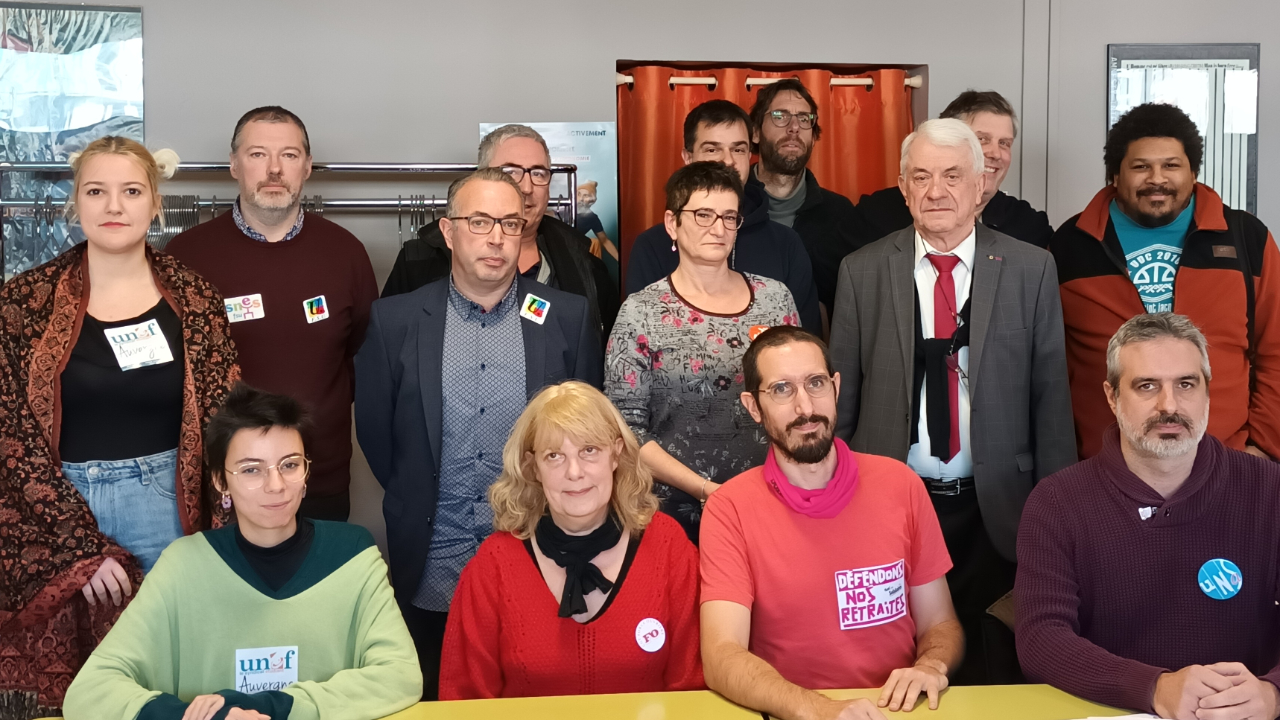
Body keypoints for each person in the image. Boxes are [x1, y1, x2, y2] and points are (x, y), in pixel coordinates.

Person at [828, 118, 1076, 684]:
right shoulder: (862, 270)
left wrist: (1060, 515)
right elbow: (840, 409)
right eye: (921, 177)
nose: (935, 191)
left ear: (981, 181)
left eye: (952, 176)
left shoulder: (1031, 269)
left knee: (995, 663)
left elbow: (1051, 402)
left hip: (999, 508)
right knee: (899, 661)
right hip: (892, 499)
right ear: (902, 184)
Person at [0, 137, 239, 717]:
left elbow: (224, 419)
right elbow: (8, 434)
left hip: (166, 508)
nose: (115, 205)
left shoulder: (196, 300)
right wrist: (74, 544)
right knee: (78, 683)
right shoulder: (22, 305)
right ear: (74, 204)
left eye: (131, 191)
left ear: (155, 203)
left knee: (166, 670)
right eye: (96, 191)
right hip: (54, 505)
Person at [355, 167, 602, 700]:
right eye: (480, 221)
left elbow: (588, 439)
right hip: (431, 555)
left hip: (541, 557)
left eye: (510, 224)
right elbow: (377, 434)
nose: (496, 238)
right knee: (434, 695)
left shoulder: (566, 318)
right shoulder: (395, 320)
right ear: (448, 232)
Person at [63, 384, 422, 720]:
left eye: (290, 464)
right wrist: (196, 716)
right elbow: (90, 691)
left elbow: (400, 675)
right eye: (252, 470)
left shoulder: (352, 555)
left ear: (306, 471)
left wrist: (274, 708)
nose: (276, 485)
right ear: (221, 480)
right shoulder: (184, 566)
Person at [1016, 313, 1280, 719]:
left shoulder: (1270, 489)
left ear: (1208, 393)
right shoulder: (1057, 501)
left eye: (1186, 385)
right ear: (1111, 396)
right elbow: (1040, 639)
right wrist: (1154, 687)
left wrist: (1273, 693)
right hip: (1112, 712)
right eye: (1146, 386)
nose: (1169, 406)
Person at [701, 326, 962, 720]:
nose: (805, 408)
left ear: (836, 387)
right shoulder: (729, 508)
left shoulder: (900, 484)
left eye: (816, 383)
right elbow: (722, 656)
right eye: (782, 390)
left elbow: (941, 624)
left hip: (900, 711)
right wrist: (820, 710)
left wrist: (931, 666)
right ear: (754, 407)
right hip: (794, 714)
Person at [167, 106, 378, 522]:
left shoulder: (346, 253)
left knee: (319, 587)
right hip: (224, 485)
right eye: (258, 155)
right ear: (233, 165)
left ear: (308, 167)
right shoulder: (185, 257)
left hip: (319, 481)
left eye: (290, 155)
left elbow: (362, 361)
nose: (275, 169)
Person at [439, 381, 702, 698]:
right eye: (554, 456)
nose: (574, 472)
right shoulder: (493, 566)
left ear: (616, 455)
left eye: (589, 450)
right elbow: (464, 702)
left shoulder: (668, 547)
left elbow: (693, 689)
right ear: (532, 467)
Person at [1050, 102, 1280, 460]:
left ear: (1193, 172)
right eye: (1141, 166)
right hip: (1106, 467)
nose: (1157, 178)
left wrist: (1263, 446)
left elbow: (1275, 351)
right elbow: (1050, 365)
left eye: (1171, 165)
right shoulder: (1071, 244)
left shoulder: (1245, 239)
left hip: (1226, 463)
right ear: (1115, 175)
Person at [605, 162, 799, 543]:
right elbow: (625, 430)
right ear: (672, 223)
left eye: (730, 217)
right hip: (671, 513)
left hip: (770, 501)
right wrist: (704, 489)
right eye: (703, 214)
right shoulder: (641, 311)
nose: (719, 227)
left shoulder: (775, 299)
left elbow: (798, 397)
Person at [381, 124, 619, 340]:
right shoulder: (420, 258)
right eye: (510, 171)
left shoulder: (586, 266)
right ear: (481, 177)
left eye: (538, 173)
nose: (525, 188)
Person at [625, 99, 821, 332]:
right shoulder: (652, 245)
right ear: (688, 158)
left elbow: (807, 341)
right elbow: (639, 334)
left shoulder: (786, 244)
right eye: (712, 149)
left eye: (738, 149)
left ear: (750, 155)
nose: (728, 161)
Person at [855, 90, 1053, 249]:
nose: (996, 153)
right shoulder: (876, 216)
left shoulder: (1030, 226)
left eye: (1004, 143)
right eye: (981, 139)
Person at [747, 78, 870, 314]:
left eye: (804, 119)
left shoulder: (840, 214)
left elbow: (849, 305)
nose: (794, 127)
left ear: (813, 136)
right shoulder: (730, 209)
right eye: (780, 116)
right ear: (755, 132)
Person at [575, 180, 619, 261]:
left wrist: (620, 260)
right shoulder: (563, 209)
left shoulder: (592, 218)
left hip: (574, 251)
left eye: (585, 195)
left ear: (592, 199)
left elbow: (605, 241)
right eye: (579, 194)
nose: (581, 199)